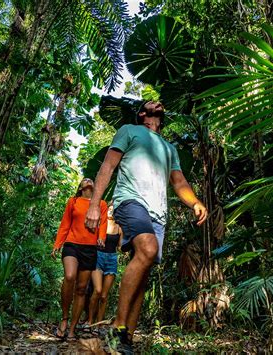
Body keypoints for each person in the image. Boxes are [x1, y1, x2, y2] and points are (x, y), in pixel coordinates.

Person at [85, 101, 208, 352]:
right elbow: (107, 167)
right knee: (149, 249)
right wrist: (95, 205)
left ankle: (126, 339)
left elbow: (179, 181)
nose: (158, 102)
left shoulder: (169, 148)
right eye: (150, 103)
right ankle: (118, 326)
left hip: (158, 214)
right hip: (130, 200)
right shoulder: (129, 130)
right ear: (142, 113)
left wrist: (195, 202)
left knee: (143, 272)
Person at [52, 178, 108, 340]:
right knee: (70, 276)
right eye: (85, 180)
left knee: (82, 289)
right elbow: (65, 224)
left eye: (90, 179)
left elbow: (103, 223)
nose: (88, 180)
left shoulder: (101, 204)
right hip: (72, 244)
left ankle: (72, 329)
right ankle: (64, 318)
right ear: (80, 187)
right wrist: (58, 244)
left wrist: (101, 237)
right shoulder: (73, 201)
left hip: (90, 249)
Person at [86, 202, 122, 332]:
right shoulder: (100, 223)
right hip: (99, 257)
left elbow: (121, 246)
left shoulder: (119, 227)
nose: (111, 212)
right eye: (109, 209)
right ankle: (89, 321)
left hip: (112, 258)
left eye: (113, 210)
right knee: (98, 290)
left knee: (104, 296)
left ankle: (99, 324)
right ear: (105, 211)